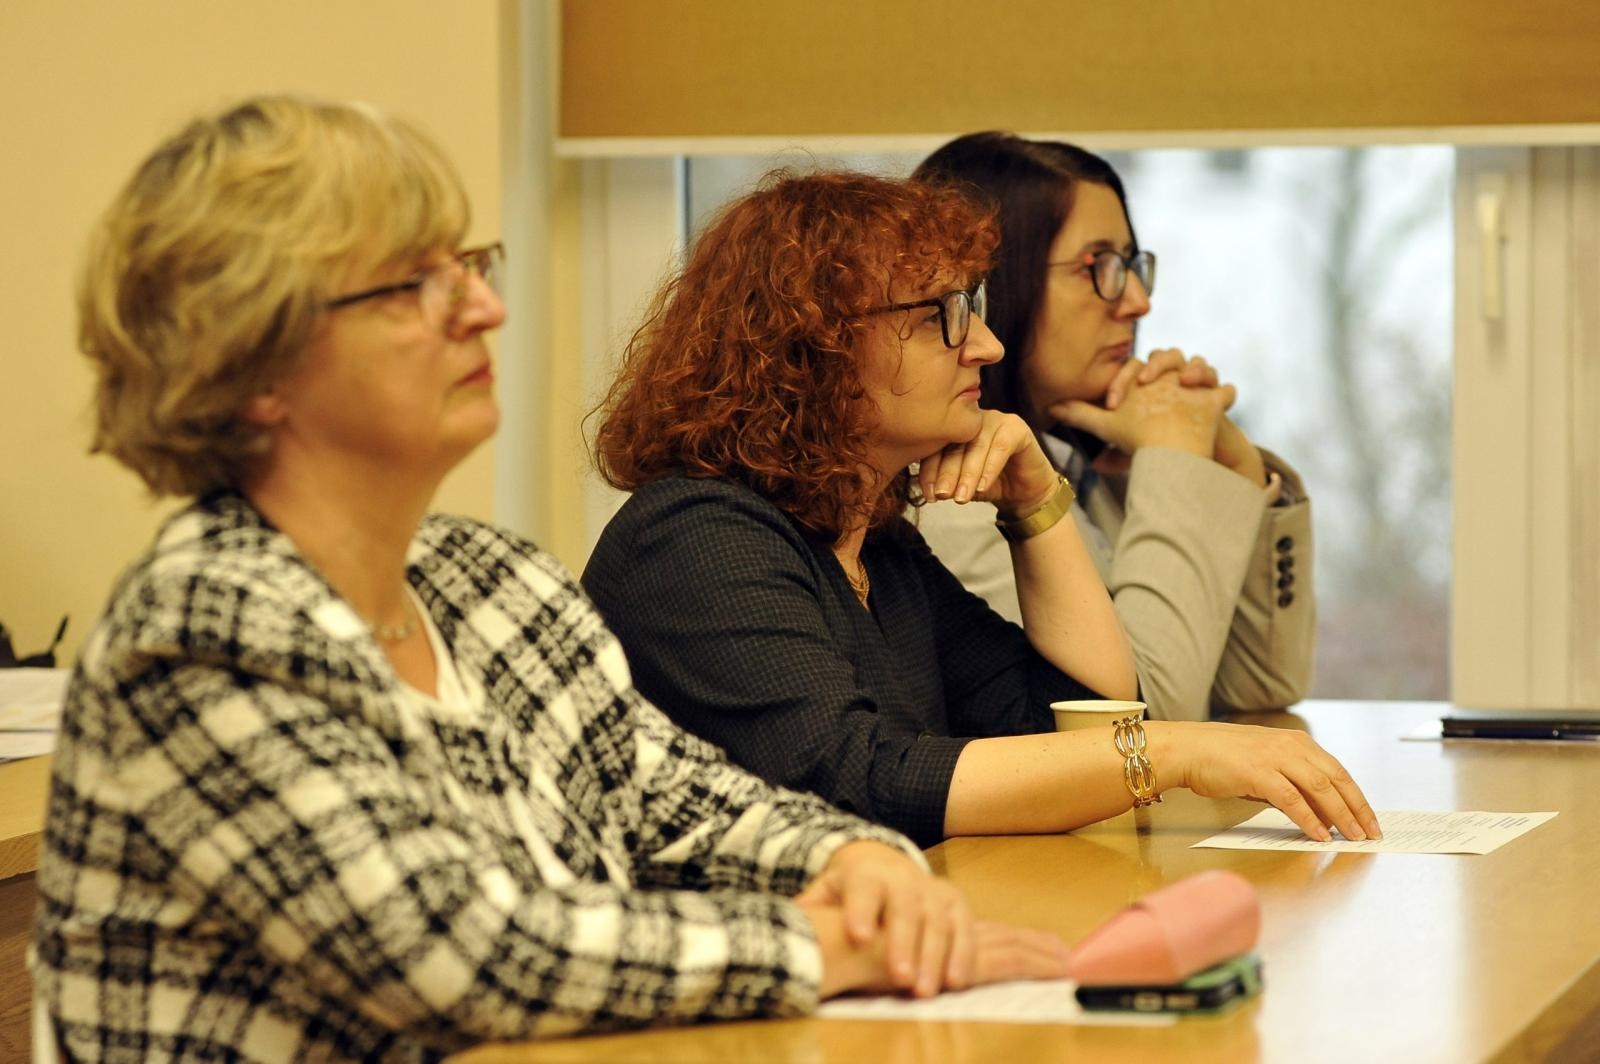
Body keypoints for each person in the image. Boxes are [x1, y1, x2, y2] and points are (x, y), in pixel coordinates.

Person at [32, 98, 1073, 1062]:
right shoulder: (203, 621)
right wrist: (826, 943)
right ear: (249, 366)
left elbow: (686, 801)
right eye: (412, 285)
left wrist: (859, 864)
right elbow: (459, 950)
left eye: (469, 265)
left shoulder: (492, 580)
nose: (482, 307)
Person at [583, 170, 1380, 851]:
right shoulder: (692, 538)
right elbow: (856, 784)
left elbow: (1078, 726)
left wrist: (1037, 505)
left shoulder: (877, 547)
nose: (988, 346)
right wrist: (1171, 753)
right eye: (943, 316)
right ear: (814, 345)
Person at [910, 132, 1315, 722]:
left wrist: (1232, 461)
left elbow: (1261, 684)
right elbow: (1142, 721)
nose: (1136, 301)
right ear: (990, 285)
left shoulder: (1086, 461)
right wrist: (1176, 455)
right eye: (1096, 266)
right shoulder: (959, 494)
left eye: (1130, 265)